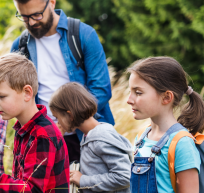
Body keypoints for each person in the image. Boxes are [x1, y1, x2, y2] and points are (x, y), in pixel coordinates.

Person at [10, 0, 114, 163]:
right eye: (24, 17)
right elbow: (18, 96)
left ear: (52, 2)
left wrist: (66, 123)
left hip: (89, 137)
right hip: (43, 141)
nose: (31, 22)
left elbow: (101, 90)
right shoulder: (19, 46)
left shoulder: (84, 35)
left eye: (36, 15)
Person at [0, 53, 69, 192]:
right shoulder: (24, 129)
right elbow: (20, 181)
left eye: (1, 96)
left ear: (27, 93)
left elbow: (29, 190)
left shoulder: (42, 135)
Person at [127, 57, 202, 192]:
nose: (129, 100)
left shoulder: (181, 143)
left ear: (166, 97)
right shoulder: (141, 138)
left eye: (138, 93)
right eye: (130, 92)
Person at [49, 82, 131, 193]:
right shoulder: (88, 136)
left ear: (70, 115)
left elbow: (124, 177)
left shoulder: (101, 139)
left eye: (57, 117)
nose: (58, 123)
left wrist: (83, 180)